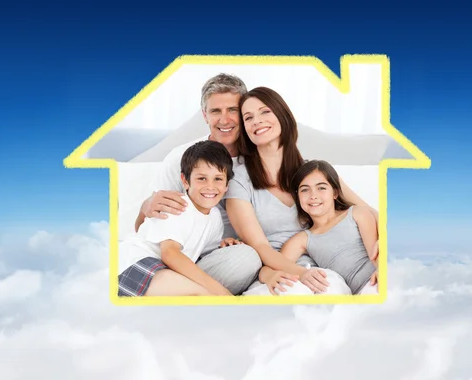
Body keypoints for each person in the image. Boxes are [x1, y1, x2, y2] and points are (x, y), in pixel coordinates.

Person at [224, 86, 380, 295]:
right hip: (274, 272)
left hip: (324, 273)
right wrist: (298, 272)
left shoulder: (314, 173)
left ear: (282, 115)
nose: (257, 121)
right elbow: (260, 246)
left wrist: (384, 243)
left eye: (265, 111)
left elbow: (370, 212)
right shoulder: (239, 181)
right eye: (248, 117)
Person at [133, 73, 262, 296]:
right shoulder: (182, 158)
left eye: (232, 110)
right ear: (205, 115)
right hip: (178, 258)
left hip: (221, 255)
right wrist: (145, 207)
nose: (224, 120)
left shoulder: (261, 159)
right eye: (215, 111)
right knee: (247, 258)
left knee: (247, 257)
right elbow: (147, 229)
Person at [118, 140, 237, 296]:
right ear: (185, 181)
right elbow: (170, 254)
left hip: (164, 268)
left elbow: (205, 251)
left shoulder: (215, 217)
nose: (210, 186)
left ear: (227, 185)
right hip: (133, 263)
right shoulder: (177, 206)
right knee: (203, 294)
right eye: (201, 178)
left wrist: (224, 244)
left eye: (218, 179)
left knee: (201, 294)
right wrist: (221, 292)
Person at [260, 159, 379, 295]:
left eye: (321, 188)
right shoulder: (303, 239)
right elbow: (271, 267)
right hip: (362, 292)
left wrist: (382, 271)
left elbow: (375, 253)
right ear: (298, 197)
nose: (313, 196)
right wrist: (268, 276)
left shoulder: (357, 213)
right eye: (305, 190)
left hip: (378, 278)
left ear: (335, 193)